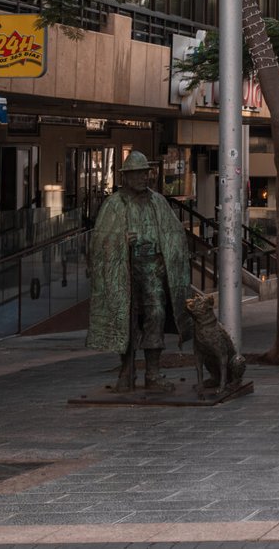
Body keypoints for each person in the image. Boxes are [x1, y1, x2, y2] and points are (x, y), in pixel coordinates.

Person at [86, 151, 192, 392]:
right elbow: (100, 241)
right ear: (127, 176)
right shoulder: (114, 204)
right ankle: (127, 371)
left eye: (146, 173)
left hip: (153, 267)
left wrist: (168, 255)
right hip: (126, 268)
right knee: (128, 318)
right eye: (139, 173)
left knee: (156, 313)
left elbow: (175, 233)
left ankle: (152, 373)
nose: (145, 177)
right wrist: (121, 241)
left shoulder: (158, 202)